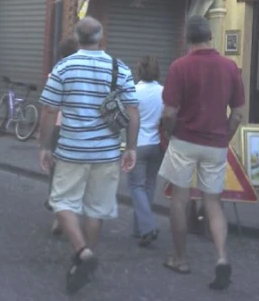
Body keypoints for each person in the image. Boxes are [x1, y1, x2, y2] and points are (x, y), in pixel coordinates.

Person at [38, 17, 139, 294]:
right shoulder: (120, 68)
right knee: (97, 208)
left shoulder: (64, 67)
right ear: (100, 38)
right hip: (106, 152)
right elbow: (132, 110)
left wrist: (45, 146)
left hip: (71, 150)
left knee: (60, 200)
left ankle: (82, 253)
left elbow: (48, 110)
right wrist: (130, 147)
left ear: (76, 38)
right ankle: (86, 254)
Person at [158, 15, 245, 291]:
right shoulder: (230, 67)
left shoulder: (179, 66)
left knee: (180, 200)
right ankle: (221, 258)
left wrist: (170, 132)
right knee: (213, 203)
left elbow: (169, 112)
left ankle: (180, 258)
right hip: (216, 143)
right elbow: (239, 113)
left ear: (188, 39)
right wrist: (225, 137)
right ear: (210, 36)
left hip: (184, 140)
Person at [128, 56, 164, 247]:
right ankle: (139, 228)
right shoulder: (163, 92)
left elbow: (127, 118)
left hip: (138, 144)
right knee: (149, 186)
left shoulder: (133, 91)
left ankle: (147, 226)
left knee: (136, 186)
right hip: (157, 144)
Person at [45, 36, 79, 237]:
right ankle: (64, 214)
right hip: (79, 128)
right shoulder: (85, 71)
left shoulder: (56, 73)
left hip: (59, 127)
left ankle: (59, 213)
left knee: (57, 172)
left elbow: (49, 108)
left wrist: (43, 142)